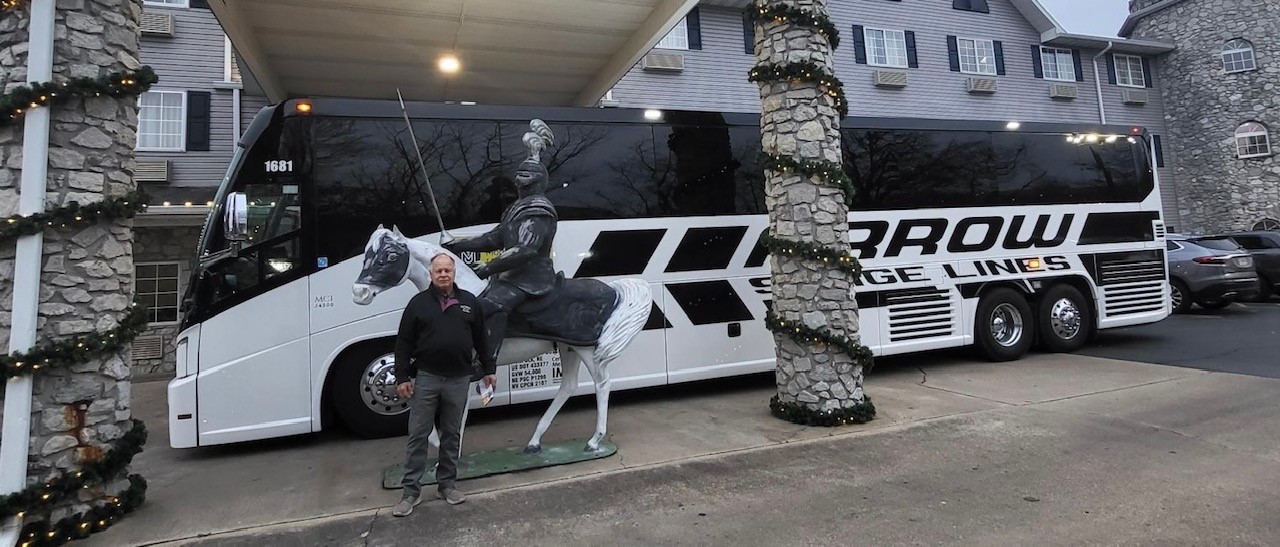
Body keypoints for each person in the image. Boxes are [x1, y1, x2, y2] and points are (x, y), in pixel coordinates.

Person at [444, 119, 559, 366]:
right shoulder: (516, 208)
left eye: (526, 177)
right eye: (519, 176)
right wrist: (458, 246)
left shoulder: (538, 209)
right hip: (510, 275)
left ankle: (486, 361)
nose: (519, 181)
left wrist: (488, 267)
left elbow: (526, 249)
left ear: (538, 181)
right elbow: (493, 238)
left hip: (530, 278)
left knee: (492, 304)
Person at [391, 253, 497, 517]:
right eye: (438, 270)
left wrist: (489, 370)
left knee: (451, 434)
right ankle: (410, 492)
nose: (443, 274)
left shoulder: (470, 302)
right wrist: (402, 377)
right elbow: (403, 343)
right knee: (418, 434)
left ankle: (447, 485)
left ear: (454, 273)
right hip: (427, 377)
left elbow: (482, 340)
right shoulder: (417, 304)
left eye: (447, 270)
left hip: (459, 379)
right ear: (431, 274)